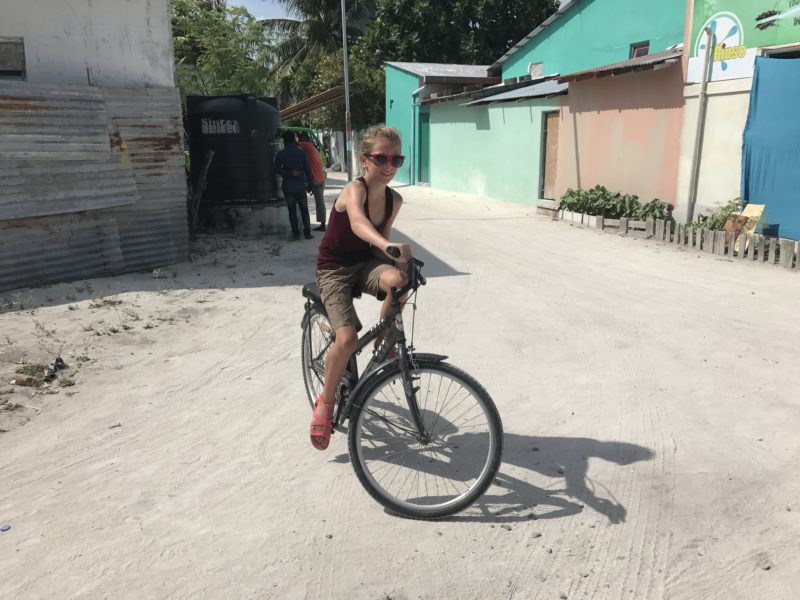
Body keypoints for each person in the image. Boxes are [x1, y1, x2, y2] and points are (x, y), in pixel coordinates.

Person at [310, 125, 411, 450]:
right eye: (382, 158)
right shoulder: (356, 190)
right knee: (348, 338)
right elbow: (358, 223)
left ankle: (383, 347)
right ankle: (325, 405)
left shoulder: (394, 199)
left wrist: (398, 259)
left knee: (400, 280)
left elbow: (380, 242)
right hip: (334, 269)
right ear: (365, 160)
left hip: (363, 263)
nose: (389, 166)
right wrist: (387, 244)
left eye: (397, 159)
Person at [273, 131, 313, 240]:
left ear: (284, 141)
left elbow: (275, 168)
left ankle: (296, 234)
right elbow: (308, 170)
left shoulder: (281, 154)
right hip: (300, 187)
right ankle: (307, 233)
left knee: (292, 211)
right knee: (304, 210)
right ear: (294, 140)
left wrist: (289, 173)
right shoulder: (302, 153)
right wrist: (311, 184)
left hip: (288, 187)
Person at [297, 132, 327, 232]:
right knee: (319, 202)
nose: (300, 142)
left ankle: (322, 225)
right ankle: (321, 224)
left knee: (319, 203)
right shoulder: (313, 149)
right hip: (319, 179)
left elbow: (294, 144)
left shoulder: (308, 146)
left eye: (301, 139)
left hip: (316, 180)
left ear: (305, 140)